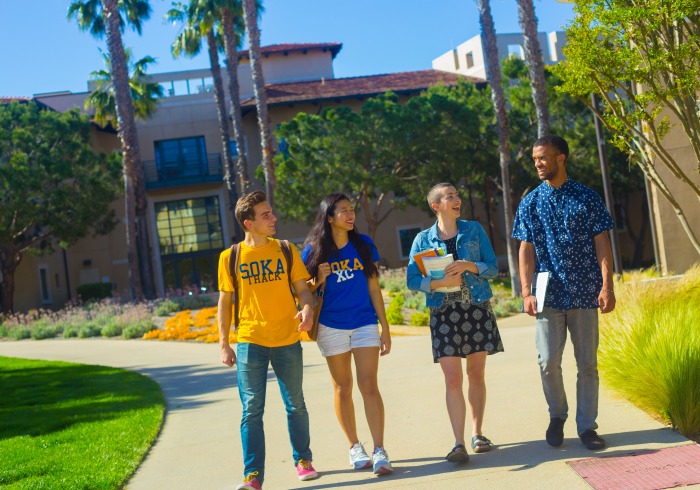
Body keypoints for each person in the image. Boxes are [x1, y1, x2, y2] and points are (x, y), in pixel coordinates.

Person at [512, 134, 616, 451]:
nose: (538, 164)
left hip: (585, 291)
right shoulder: (530, 202)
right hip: (547, 292)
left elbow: (602, 242)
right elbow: (525, 249)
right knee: (547, 361)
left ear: (561, 158)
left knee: (587, 364)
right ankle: (557, 416)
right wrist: (526, 291)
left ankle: (587, 427)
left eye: (543, 157)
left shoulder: (587, 198)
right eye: (535, 159)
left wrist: (607, 284)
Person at [217, 191, 319, 490]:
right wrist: (224, 343)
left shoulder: (286, 250)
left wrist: (308, 308)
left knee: (295, 404)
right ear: (249, 223)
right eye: (266, 215)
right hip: (250, 341)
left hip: (287, 338)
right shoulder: (230, 257)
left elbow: (303, 290)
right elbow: (225, 302)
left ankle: (303, 460)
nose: (273, 218)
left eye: (271, 213)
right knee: (251, 410)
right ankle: (253, 477)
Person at [407, 183, 504, 463]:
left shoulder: (473, 230)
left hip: (476, 307)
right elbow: (412, 279)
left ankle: (477, 433)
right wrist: (440, 282)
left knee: (475, 374)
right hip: (443, 313)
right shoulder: (422, 240)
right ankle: (458, 443)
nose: (457, 199)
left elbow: (493, 267)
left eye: (457, 195)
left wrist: (469, 266)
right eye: (450, 196)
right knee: (452, 378)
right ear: (436, 206)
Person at [301, 193, 394, 475]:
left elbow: (374, 289)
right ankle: (355, 447)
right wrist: (319, 278)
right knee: (343, 387)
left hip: (364, 322)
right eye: (343, 211)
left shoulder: (364, 245)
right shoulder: (313, 250)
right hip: (330, 326)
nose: (350, 215)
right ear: (329, 217)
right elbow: (303, 291)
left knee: (369, 385)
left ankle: (380, 449)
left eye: (352, 210)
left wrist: (385, 327)